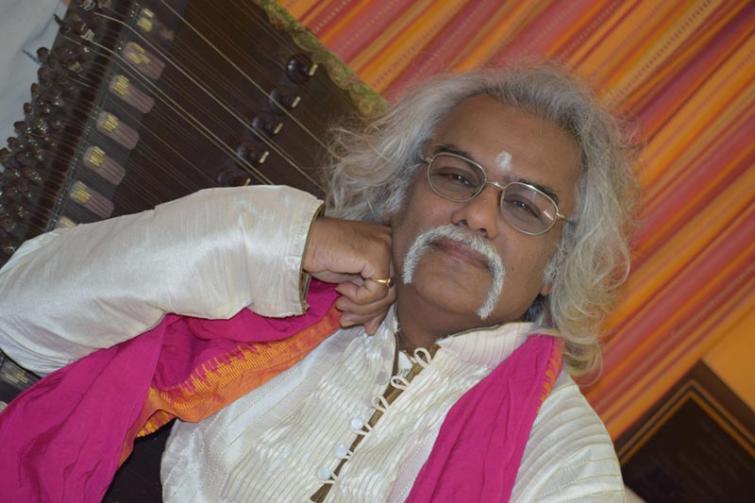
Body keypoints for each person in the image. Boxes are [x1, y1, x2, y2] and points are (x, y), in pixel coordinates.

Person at [0, 65, 636, 501]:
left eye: (525, 206)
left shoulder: (551, 441)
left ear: (558, 262)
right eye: (455, 175)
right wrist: (290, 241)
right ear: (401, 191)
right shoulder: (268, 283)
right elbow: (20, 314)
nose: (477, 215)